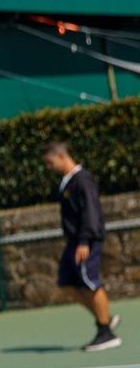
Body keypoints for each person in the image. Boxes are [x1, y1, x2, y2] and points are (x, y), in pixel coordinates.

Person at [42, 141, 120, 351]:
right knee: (67, 282)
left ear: (61, 156)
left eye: (50, 163)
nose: (49, 168)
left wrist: (85, 240)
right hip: (73, 242)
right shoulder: (67, 182)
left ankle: (106, 333)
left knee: (90, 282)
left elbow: (90, 211)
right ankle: (104, 317)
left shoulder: (82, 180)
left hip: (86, 241)